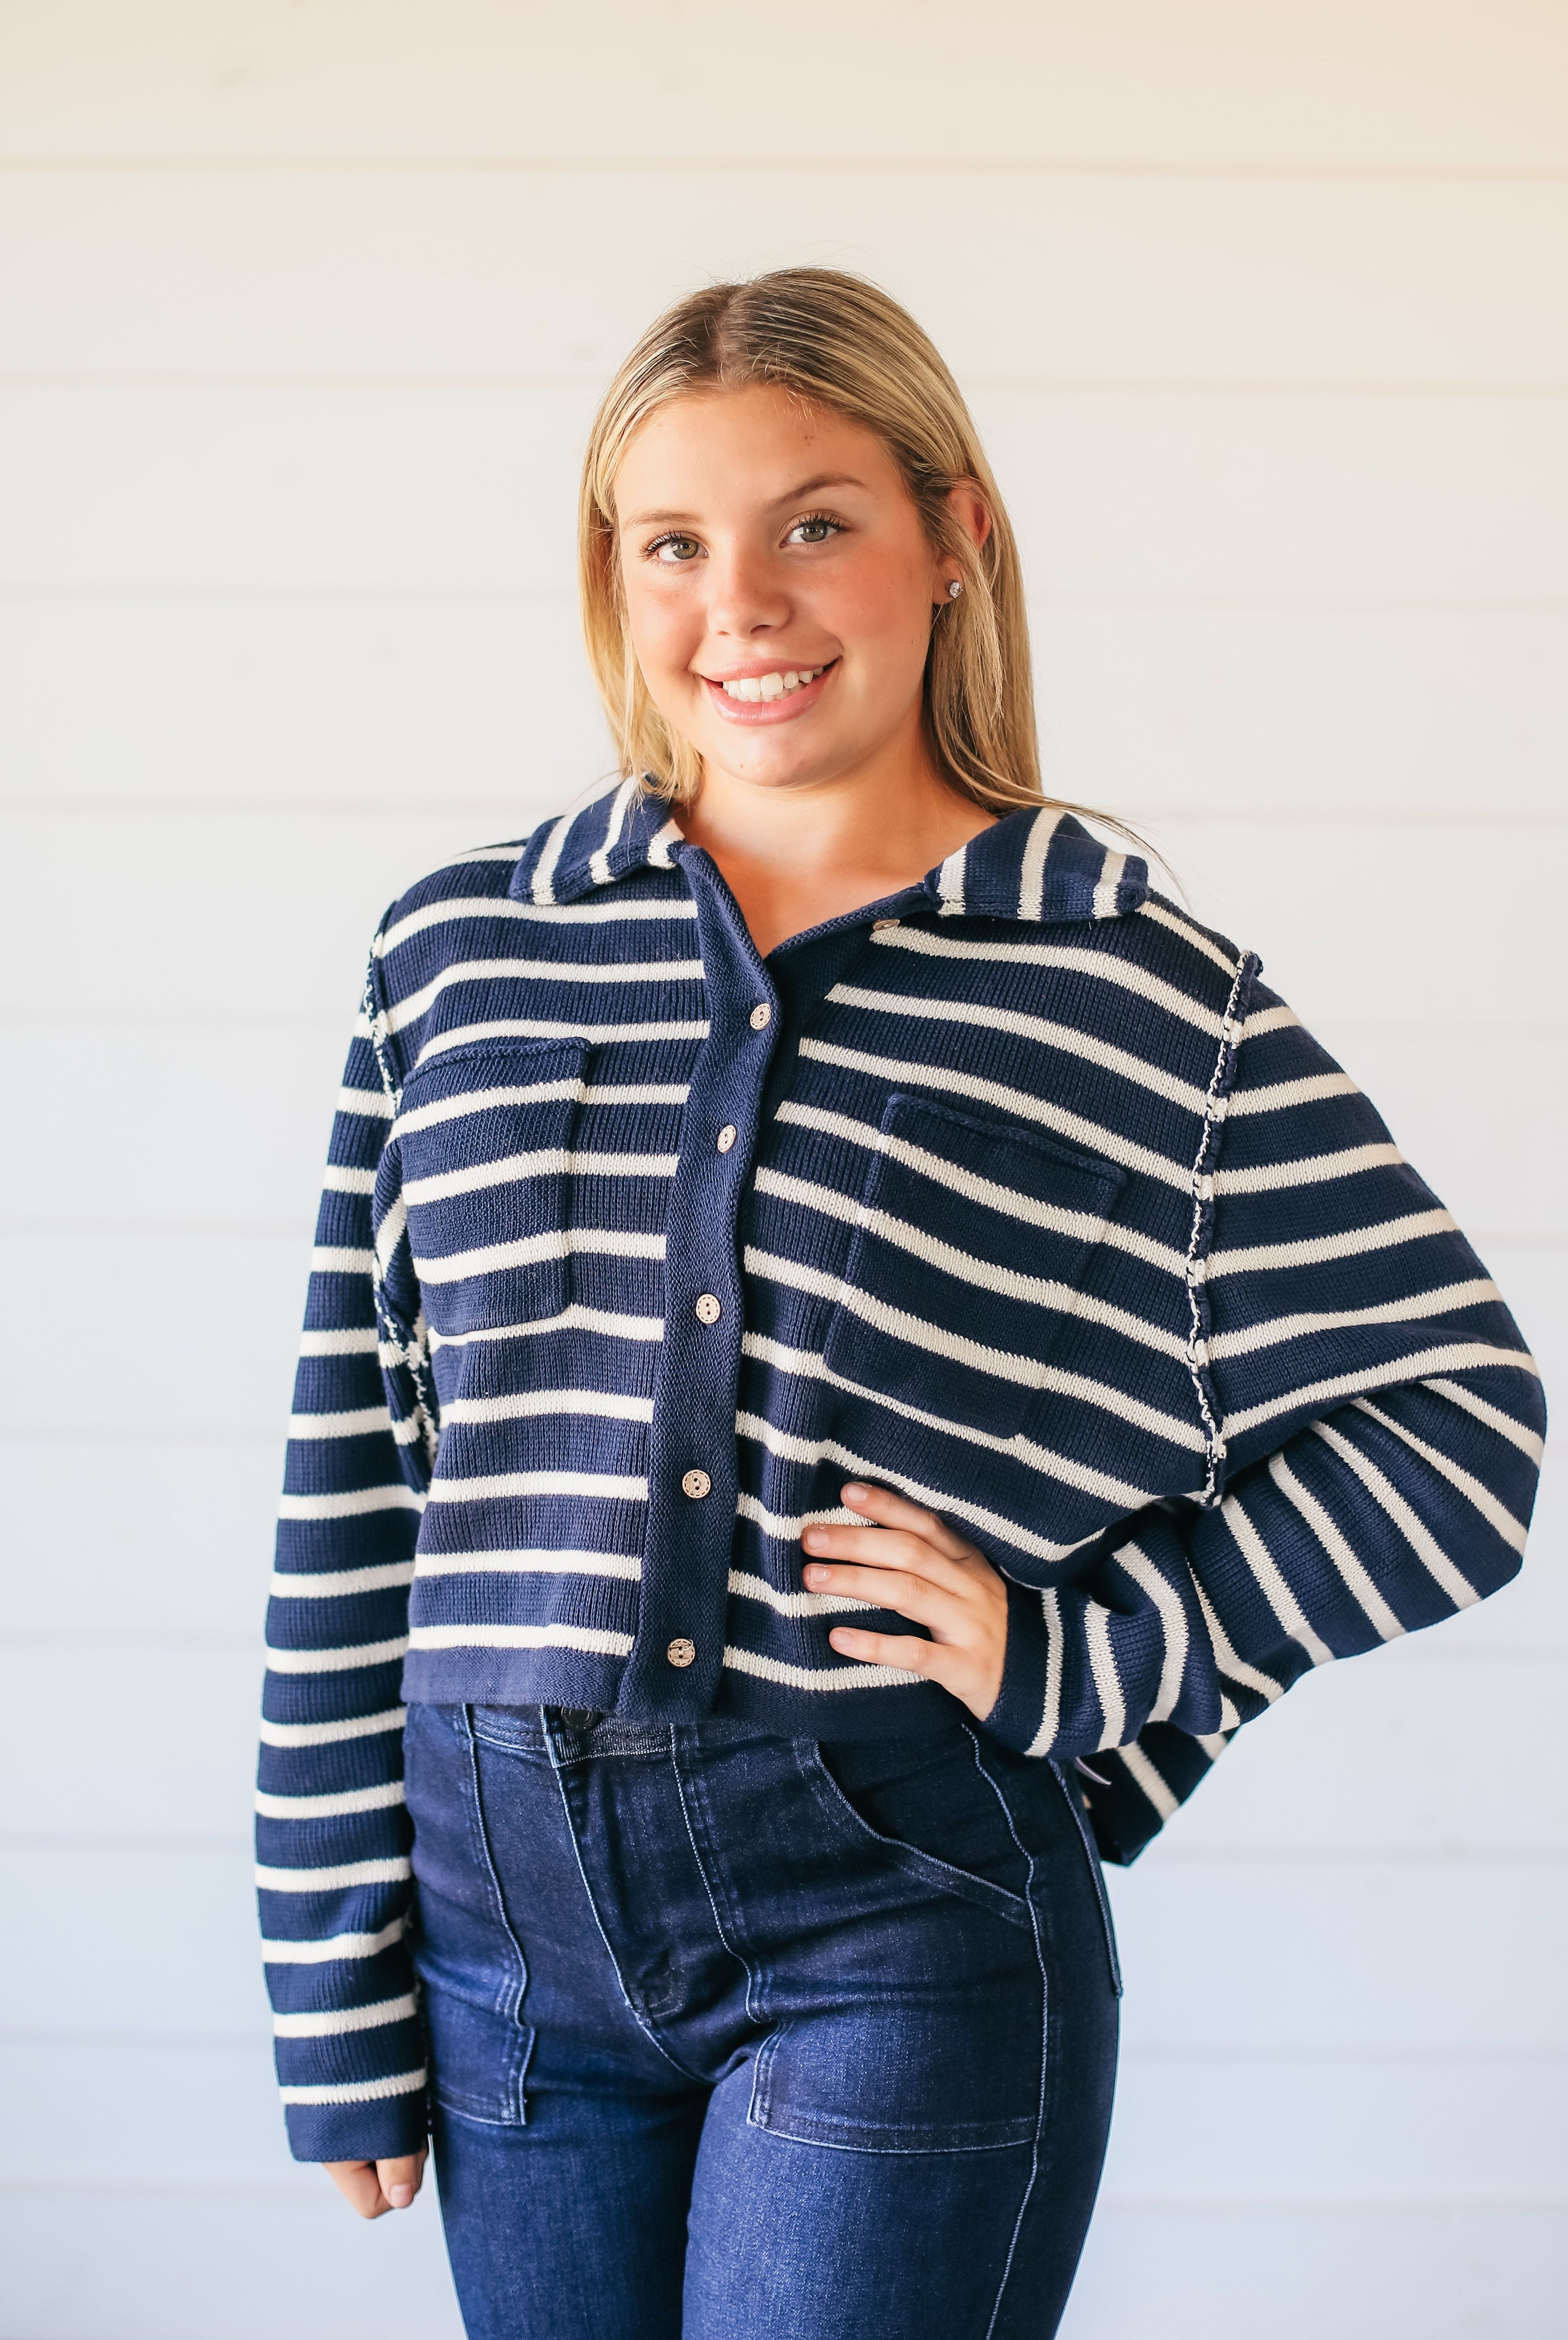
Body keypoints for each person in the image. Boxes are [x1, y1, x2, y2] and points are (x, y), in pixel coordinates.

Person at [257, 269, 1544, 2340]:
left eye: (815, 521)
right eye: (675, 541)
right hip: (497, 1946)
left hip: (890, 1917)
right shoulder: (463, 950)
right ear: (617, 574)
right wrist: (330, 1981)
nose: (741, 600)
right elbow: (357, 1475)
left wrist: (1088, 1657)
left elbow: (1458, 1428)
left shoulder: (1130, 983)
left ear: (953, 538)